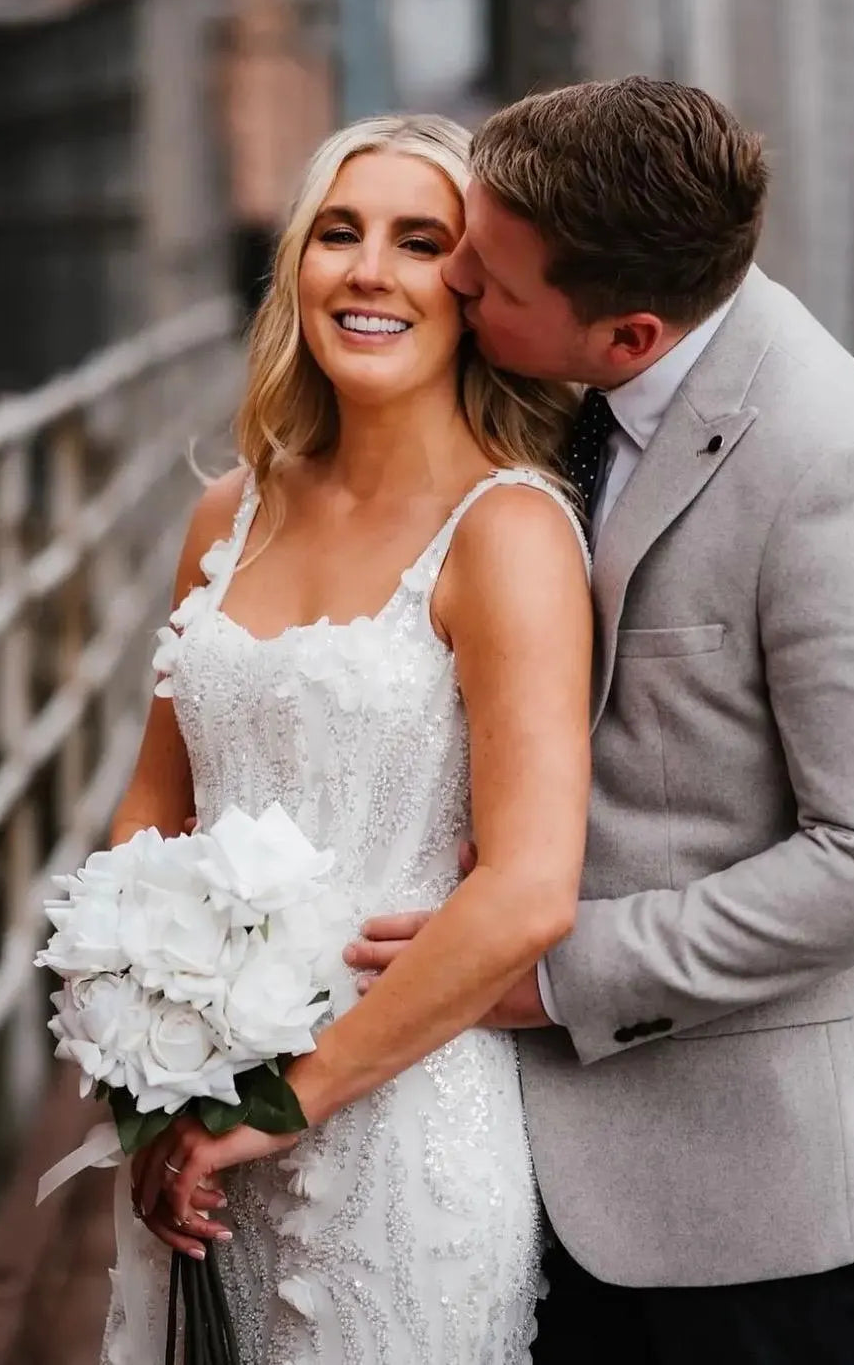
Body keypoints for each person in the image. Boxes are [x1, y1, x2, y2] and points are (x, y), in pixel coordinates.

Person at [346, 77, 854, 1364]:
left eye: (484, 278)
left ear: (627, 337)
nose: (451, 280)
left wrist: (556, 974)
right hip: (508, 1175)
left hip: (741, 1222)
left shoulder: (836, 469)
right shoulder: (575, 374)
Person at [101, 114, 592, 1364]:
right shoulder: (230, 508)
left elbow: (529, 890)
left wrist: (281, 1105)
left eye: (420, 243)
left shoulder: (510, 533)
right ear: (298, 269)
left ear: (471, 289)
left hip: (402, 1122)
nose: (369, 270)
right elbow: (152, 807)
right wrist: (143, 1067)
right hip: (200, 1127)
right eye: (339, 232)